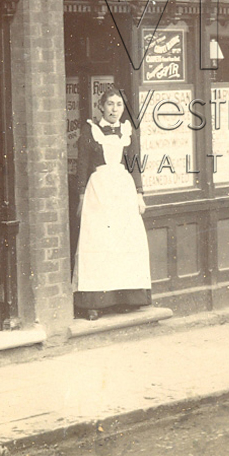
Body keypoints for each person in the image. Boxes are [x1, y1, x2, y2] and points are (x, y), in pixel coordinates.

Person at [71, 87, 151, 321]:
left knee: (123, 241)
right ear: (101, 107)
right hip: (98, 191)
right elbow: (82, 167)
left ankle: (125, 298)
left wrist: (139, 193)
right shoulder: (90, 131)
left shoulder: (128, 131)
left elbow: (135, 165)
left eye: (118, 105)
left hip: (123, 191)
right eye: (110, 105)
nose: (114, 109)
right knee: (98, 241)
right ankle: (95, 302)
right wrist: (81, 197)